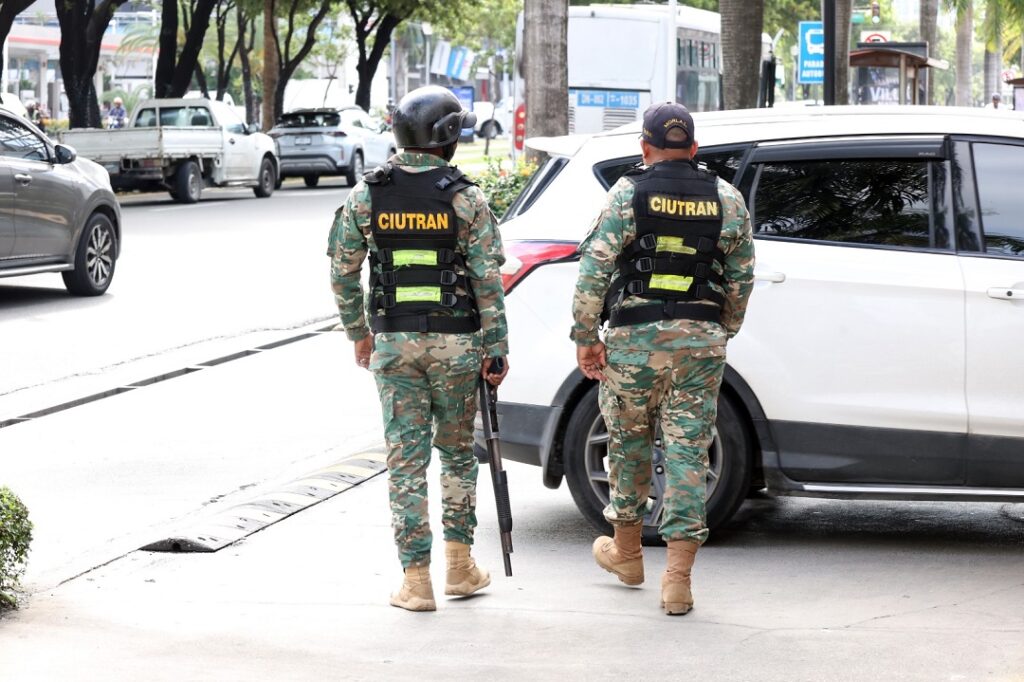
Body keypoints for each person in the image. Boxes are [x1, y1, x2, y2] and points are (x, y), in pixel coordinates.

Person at [328, 85, 510, 612]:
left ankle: (416, 581)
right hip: (458, 346)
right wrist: (495, 348)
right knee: (455, 453)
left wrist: (358, 332)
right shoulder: (465, 197)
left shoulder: (368, 194)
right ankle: (459, 567)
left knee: (405, 460)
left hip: (393, 344)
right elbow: (487, 282)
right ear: (448, 136)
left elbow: (342, 270)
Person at [571, 102, 755, 616]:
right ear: (694, 148)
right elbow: (741, 277)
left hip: (633, 343)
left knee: (628, 444)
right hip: (700, 343)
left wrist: (586, 336)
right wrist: (724, 329)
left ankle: (628, 555)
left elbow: (594, 270)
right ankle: (677, 582)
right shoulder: (726, 198)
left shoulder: (627, 193)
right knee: (687, 454)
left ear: (645, 147)